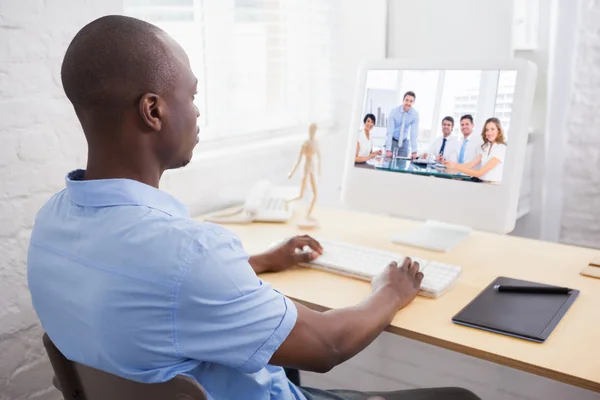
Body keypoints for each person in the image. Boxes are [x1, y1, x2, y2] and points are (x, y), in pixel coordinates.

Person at [26, 15, 481, 400]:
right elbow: (328, 346)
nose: (198, 112)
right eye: (192, 95)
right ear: (153, 111)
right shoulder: (189, 253)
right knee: (461, 396)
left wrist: (261, 261)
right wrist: (393, 290)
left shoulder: (51, 224)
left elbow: (146, 294)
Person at [444, 117, 507, 183]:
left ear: (498, 130)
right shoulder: (486, 147)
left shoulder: (501, 148)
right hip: (483, 184)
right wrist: (452, 165)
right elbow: (470, 165)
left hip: (495, 186)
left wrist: (455, 166)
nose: (489, 132)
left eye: (492, 129)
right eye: (487, 130)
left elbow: (479, 173)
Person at [384, 91, 420, 159]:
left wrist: (414, 151)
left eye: (411, 101)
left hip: (404, 141)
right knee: (388, 163)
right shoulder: (394, 112)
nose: (408, 103)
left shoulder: (415, 114)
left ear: (413, 102)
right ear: (403, 100)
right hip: (392, 140)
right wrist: (388, 149)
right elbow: (389, 131)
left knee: (402, 166)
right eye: (406, 100)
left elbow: (413, 134)